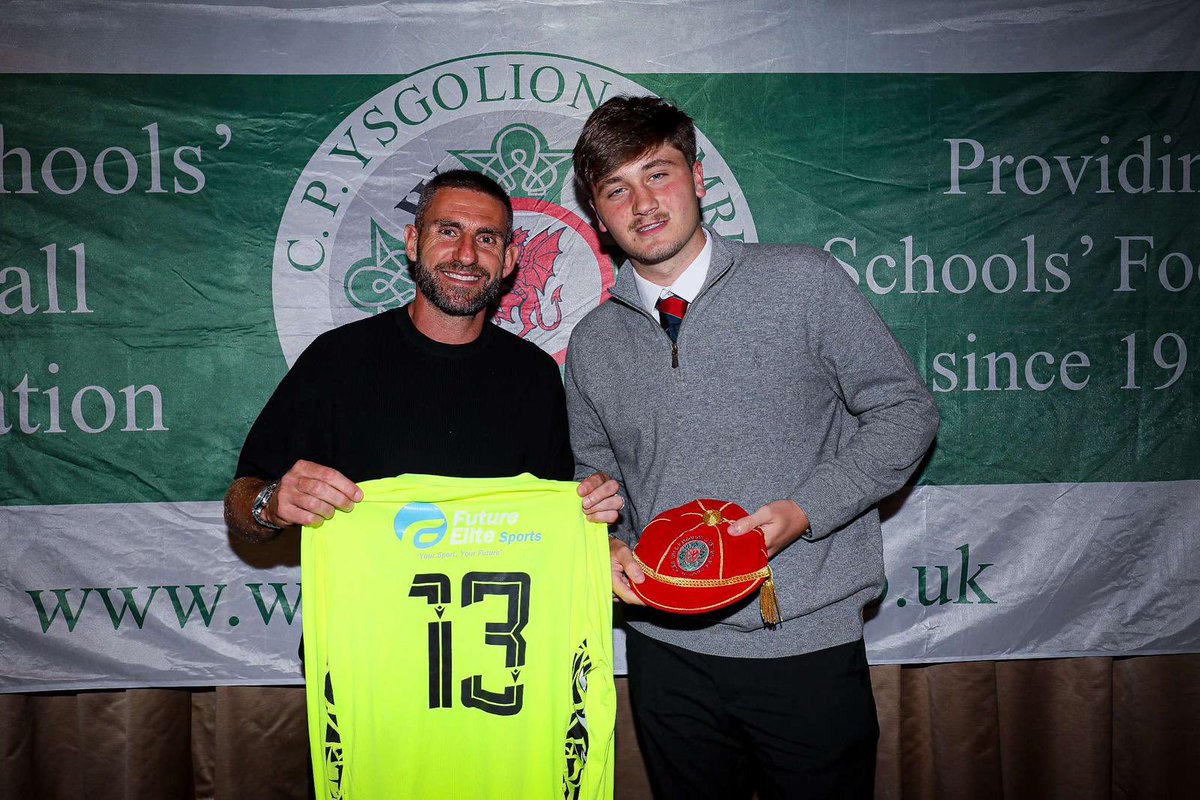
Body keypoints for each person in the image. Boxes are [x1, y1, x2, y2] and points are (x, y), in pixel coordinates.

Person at [565, 96, 940, 799]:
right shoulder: (591, 343)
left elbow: (905, 411)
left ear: (699, 179)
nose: (642, 202)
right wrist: (606, 540)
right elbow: (596, 475)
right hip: (663, 651)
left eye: (658, 174)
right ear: (597, 212)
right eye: (617, 188)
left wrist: (805, 510)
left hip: (802, 642)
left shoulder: (803, 282)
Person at [225, 168, 621, 541]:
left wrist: (586, 507)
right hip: (370, 611)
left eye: (487, 238)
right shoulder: (337, 359)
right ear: (413, 242)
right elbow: (241, 501)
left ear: (509, 261)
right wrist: (271, 505)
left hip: (497, 609)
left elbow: (551, 518)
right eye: (448, 232)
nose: (466, 255)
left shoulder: (535, 374)